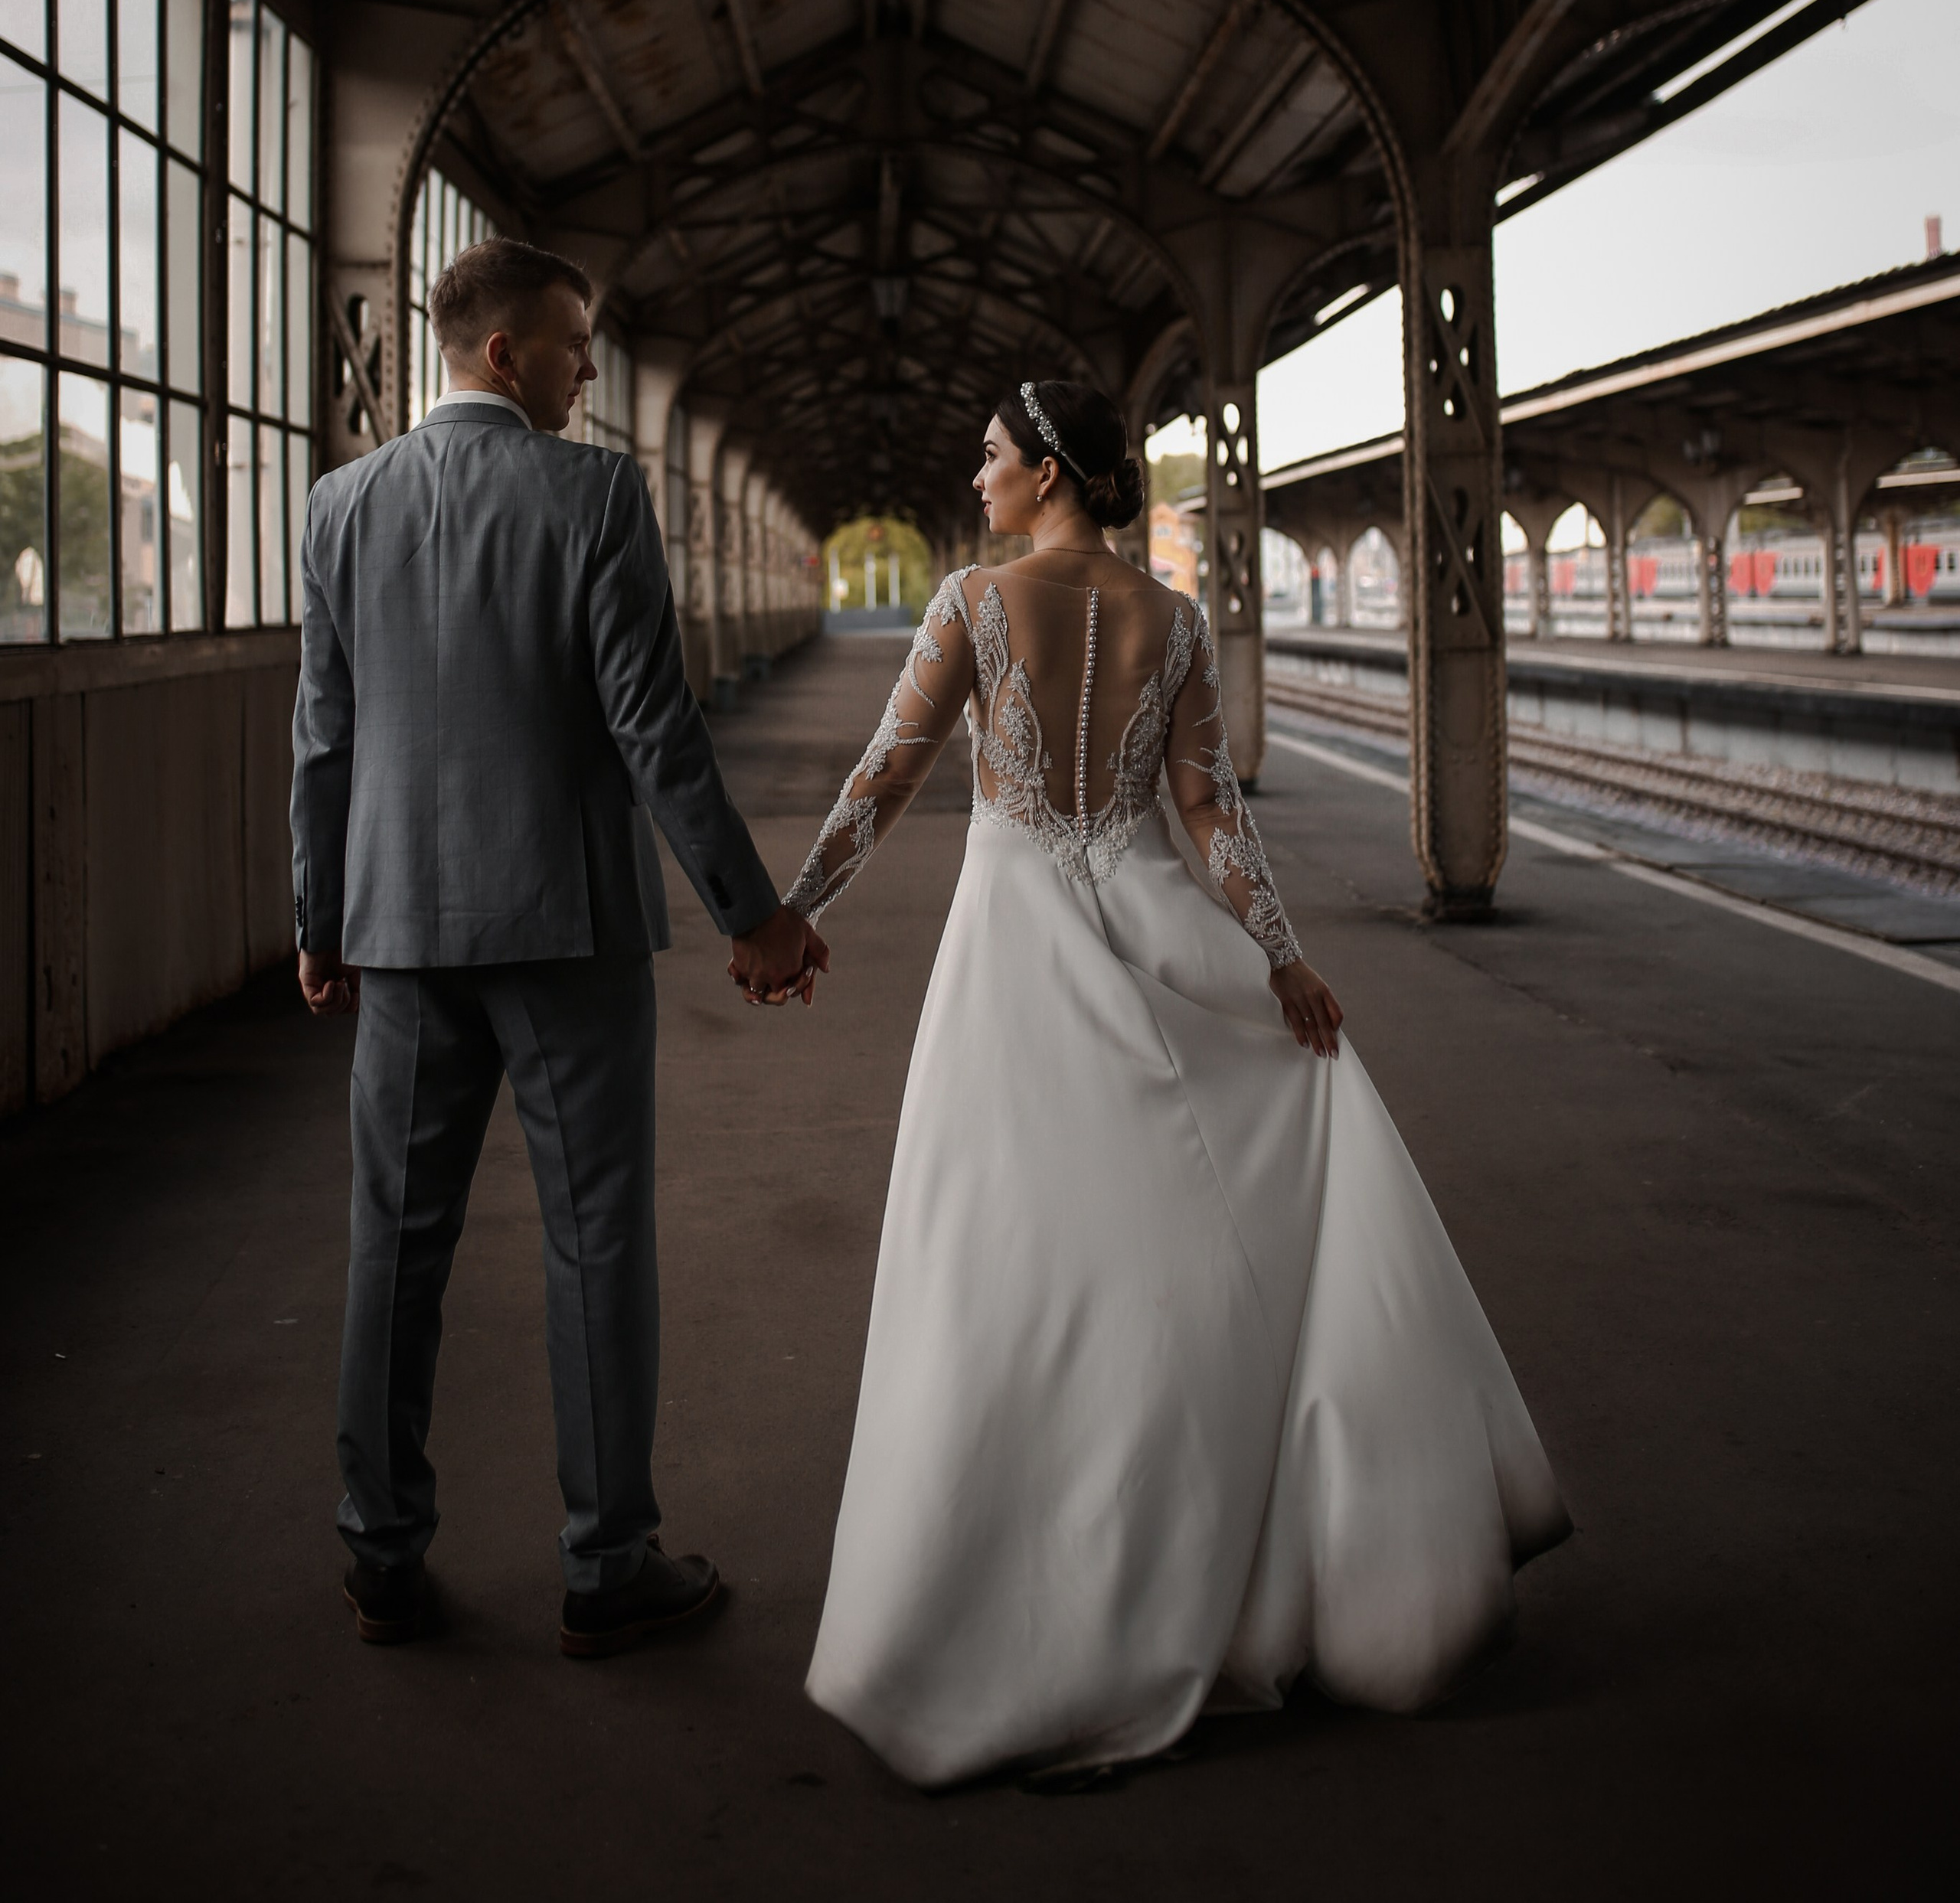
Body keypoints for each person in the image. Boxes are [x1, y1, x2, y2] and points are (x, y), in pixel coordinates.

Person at [776, 380, 1570, 1786]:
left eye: (992, 456)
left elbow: (890, 774)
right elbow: (1210, 814)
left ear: (1047, 474)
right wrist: (1283, 961)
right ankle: (1215, 1555)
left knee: (998, 1263)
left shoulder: (971, 604)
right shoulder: (1177, 621)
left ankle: (1014, 1602)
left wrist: (797, 911)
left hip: (1013, 953)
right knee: (1185, 1251)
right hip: (1157, 931)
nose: (976, 475)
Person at [291, 237, 825, 1654]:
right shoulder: (591, 494)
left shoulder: (339, 507)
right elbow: (655, 725)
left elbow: (325, 741)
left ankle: (381, 1556)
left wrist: (316, 918)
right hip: (565, 927)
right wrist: (752, 914)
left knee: (392, 1247)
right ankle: (607, 1565)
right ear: (504, 353)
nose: (592, 366)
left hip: (399, 930)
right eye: (574, 342)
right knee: (596, 1244)